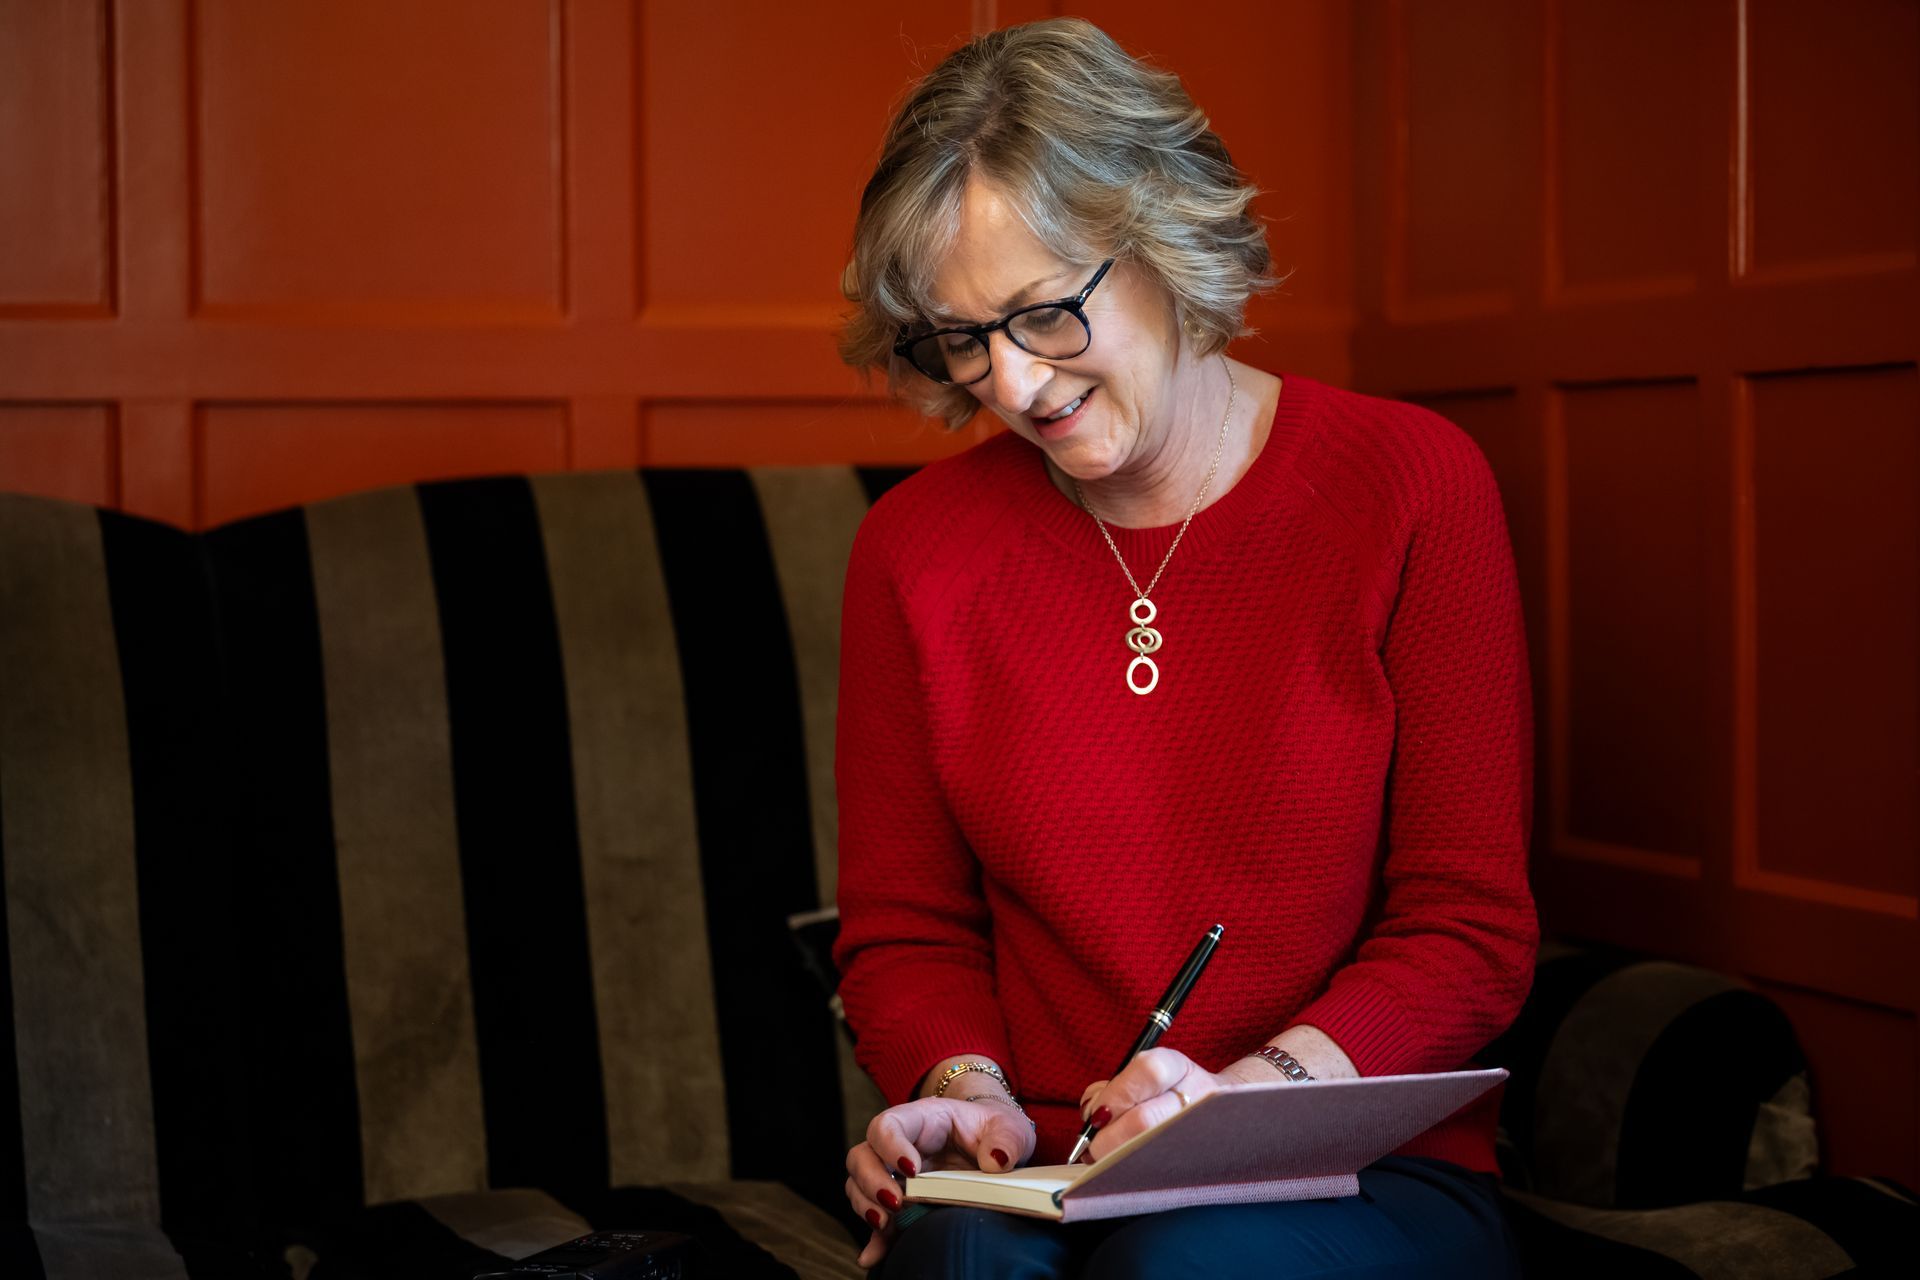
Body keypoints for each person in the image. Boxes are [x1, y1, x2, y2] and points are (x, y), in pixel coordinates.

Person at [831, 18, 1535, 1277]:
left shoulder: (1414, 485)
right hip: (1044, 1167)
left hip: (1352, 1162)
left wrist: (1238, 1098)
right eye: (962, 337)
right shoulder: (911, 548)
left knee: (1192, 1263)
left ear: (1163, 237)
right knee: (961, 1261)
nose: (1013, 384)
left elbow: (1467, 930)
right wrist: (963, 1092)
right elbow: (907, 929)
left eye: (1045, 313)